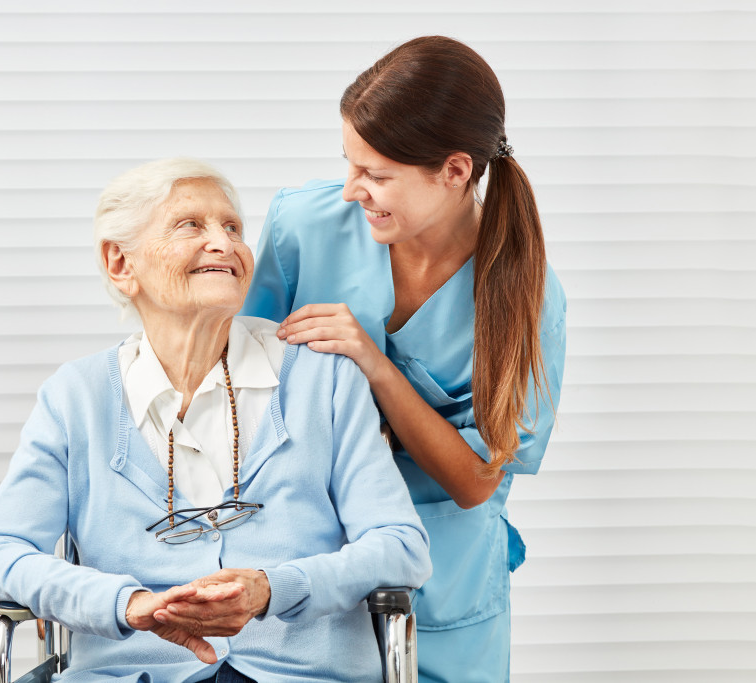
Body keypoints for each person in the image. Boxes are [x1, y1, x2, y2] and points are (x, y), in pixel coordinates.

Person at [0, 157, 432, 683]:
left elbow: (400, 545)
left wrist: (275, 588)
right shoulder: (77, 397)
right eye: (191, 225)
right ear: (121, 263)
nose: (225, 243)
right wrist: (127, 603)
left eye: (233, 228)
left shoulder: (323, 380)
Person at [241, 36, 567, 682]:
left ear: (454, 170)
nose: (350, 190)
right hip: (306, 560)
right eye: (349, 163)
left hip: (443, 587)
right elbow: (243, 390)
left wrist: (375, 366)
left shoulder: (524, 294)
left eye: (377, 174)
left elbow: (475, 480)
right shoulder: (302, 227)